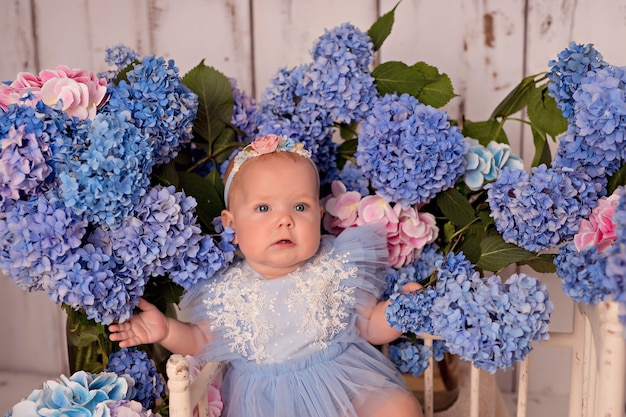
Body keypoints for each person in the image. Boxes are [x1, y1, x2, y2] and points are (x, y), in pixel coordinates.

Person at [109, 134, 424, 417]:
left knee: (401, 408)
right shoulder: (228, 289)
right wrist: (166, 330)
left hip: (343, 382)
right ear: (231, 225)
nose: (284, 220)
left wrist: (399, 312)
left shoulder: (335, 264)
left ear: (320, 215)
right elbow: (201, 339)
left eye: (300, 207)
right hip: (268, 402)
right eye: (263, 209)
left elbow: (368, 324)